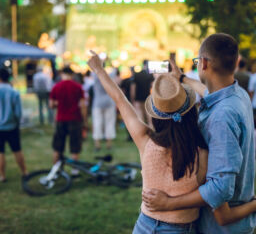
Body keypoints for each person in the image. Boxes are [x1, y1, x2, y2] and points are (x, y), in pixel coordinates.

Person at [88, 50, 256, 234]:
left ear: (157, 117)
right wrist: (182, 79)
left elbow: (120, 100)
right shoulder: (202, 154)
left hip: (144, 225)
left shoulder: (145, 140)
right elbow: (216, 198)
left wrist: (99, 70)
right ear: (192, 112)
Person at [142, 33, 256, 233]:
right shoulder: (238, 94)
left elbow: (220, 189)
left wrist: (169, 203)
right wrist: (182, 78)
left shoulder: (222, 117)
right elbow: (208, 93)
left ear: (203, 63)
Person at [49, 67, 87, 167]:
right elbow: (83, 105)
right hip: (75, 119)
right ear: (72, 74)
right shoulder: (78, 87)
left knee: (58, 147)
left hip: (60, 119)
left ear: (62, 74)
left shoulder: (56, 87)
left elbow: (51, 105)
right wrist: (85, 120)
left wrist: (59, 103)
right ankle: (75, 171)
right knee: (74, 147)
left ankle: (56, 170)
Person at [0, 68, 27, 182]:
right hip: (12, 127)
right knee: (17, 150)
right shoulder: (14, 92)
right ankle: (24, 172)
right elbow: (18, 113)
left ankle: (2, 176)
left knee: (0, 152)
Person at [91, 67, 117, 151]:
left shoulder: (95, 76)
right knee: (109, 123)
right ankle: (109, 144)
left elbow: (92, 69)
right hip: (109, 102)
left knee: (97, 123)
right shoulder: (109, 76)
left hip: (97, 103)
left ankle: (97, 144)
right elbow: (114, 70)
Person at [131, 60, 154, 125]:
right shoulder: (149, 75)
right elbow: (152, 87)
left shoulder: (137, 75)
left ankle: (143, 132)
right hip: (147, 97)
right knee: (149, 117)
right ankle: (151, 132)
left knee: (140, 117)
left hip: (138, 98)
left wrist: (133, 99)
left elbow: (133, 88)